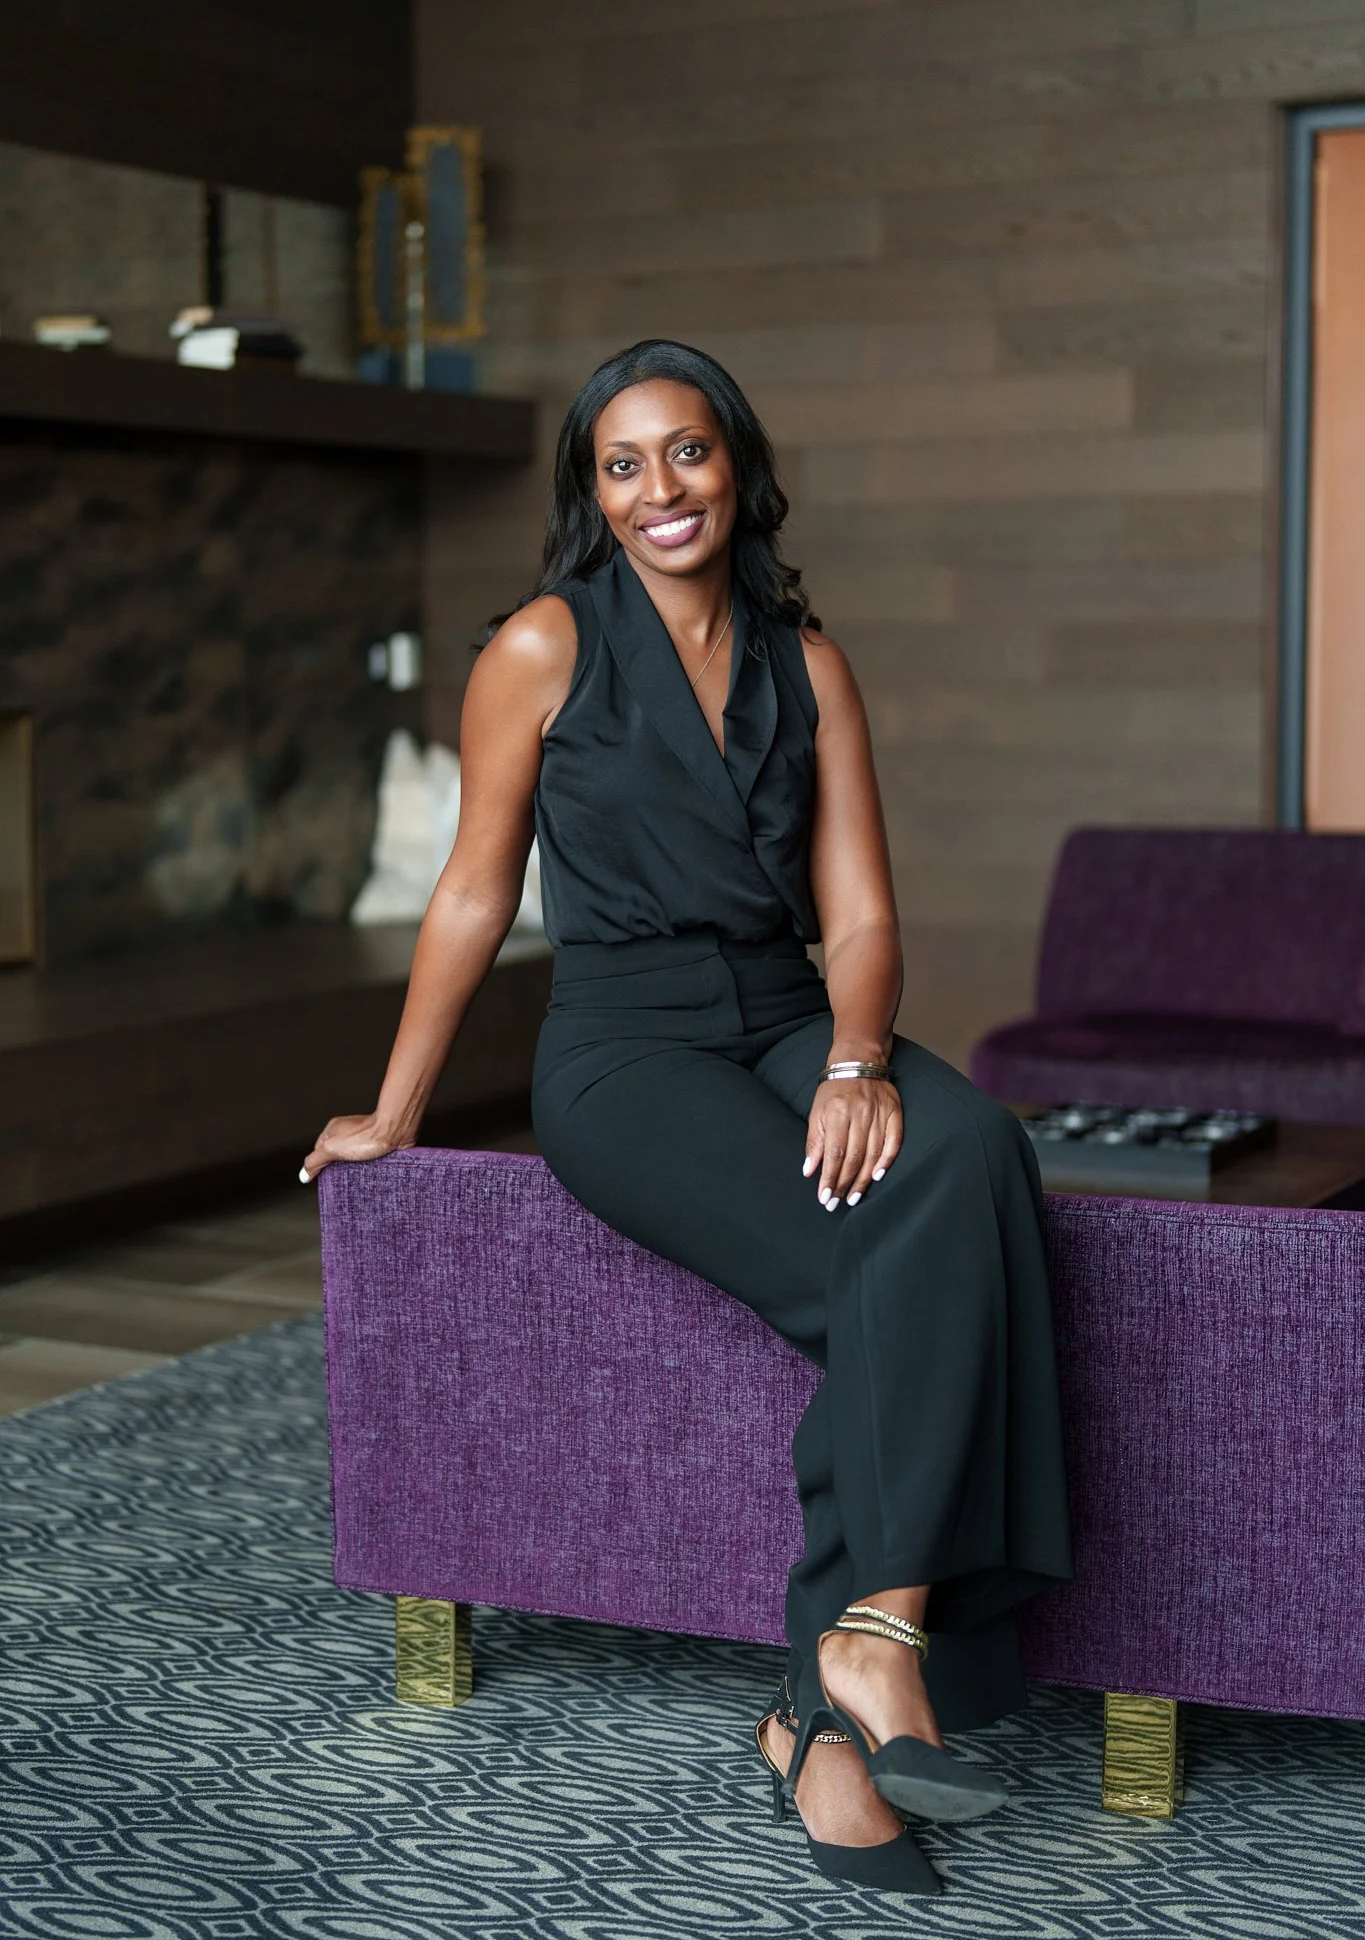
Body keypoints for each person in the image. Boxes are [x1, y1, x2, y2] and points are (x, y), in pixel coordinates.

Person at [304, 340, 1072, 1897]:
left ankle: (853, 1664)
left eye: (691, 452)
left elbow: (859, 914)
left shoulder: (812, 659)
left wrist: (861, 1060)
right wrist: (394, 1111)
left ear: (740, 465)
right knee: (885, 1265)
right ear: (592, 492)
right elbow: (471, 890)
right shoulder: (540, 647)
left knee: (980, 1152)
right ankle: (854, 1684)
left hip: (792, 1015)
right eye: (625, 463)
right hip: (624, 1046)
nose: (664, 490)